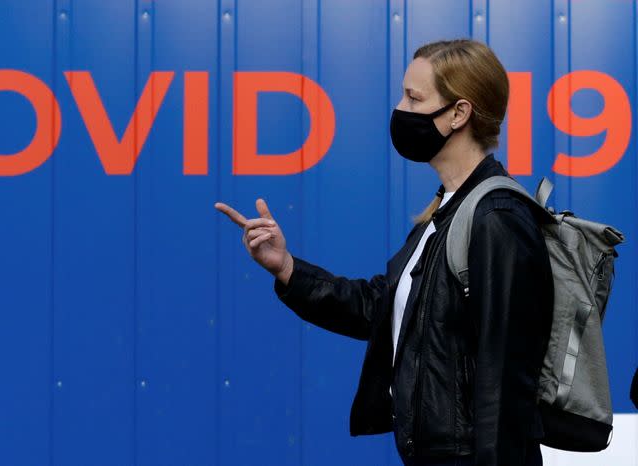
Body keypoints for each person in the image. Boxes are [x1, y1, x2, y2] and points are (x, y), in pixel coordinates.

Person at [214, 39, 553, 465]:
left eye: (414, 97)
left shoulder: (496, 219)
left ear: (458, 114)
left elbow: (505, 382)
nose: (400, 109)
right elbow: (381, 308)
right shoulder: (449, 211)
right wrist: (286, 267)